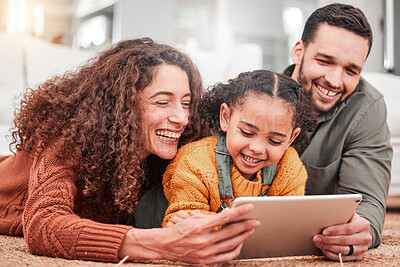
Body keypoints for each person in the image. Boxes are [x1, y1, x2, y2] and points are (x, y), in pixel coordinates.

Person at [0, 38, 260, 264]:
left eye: (186, 103)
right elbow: (43, 226)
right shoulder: (67, 141)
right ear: (122, 106)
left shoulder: (167, 152)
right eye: (162, 102)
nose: (182, 118)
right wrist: (162, 243)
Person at [284, 3, 393, 262]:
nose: (334, 80)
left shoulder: (367, 108)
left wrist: (357, 232)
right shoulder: (253, 98)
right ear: (299, 52)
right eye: (325, 61)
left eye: (350, 70)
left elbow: (367, 204)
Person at [162, 70, 317, 226]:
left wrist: (213, 224)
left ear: (291, 138)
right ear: (226, 118)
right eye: (247, 132)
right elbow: (179, 226)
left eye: (274, 141)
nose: (257, 148)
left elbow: (288, 226)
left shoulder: (289, 167)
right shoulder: (194, 162)